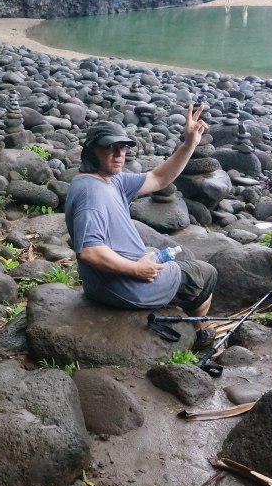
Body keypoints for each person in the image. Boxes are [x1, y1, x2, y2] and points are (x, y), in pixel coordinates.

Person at [64, 109, 220, 351]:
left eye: (123, 148)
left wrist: (189, 143)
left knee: (175, 255)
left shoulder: (108, 180)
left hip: (105, 281)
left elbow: (159, 178)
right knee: (205, 273)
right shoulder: (91, 193)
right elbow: (89, 252)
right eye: (110, 147)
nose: (119, 154)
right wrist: (136, 269)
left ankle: (178, 301)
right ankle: (198, 335)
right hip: (122, 287)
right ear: (91, 150)